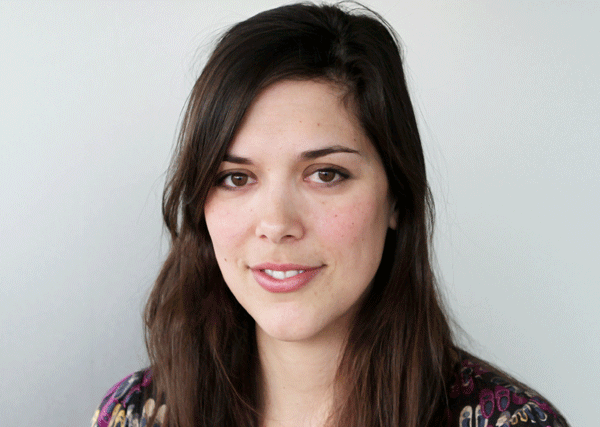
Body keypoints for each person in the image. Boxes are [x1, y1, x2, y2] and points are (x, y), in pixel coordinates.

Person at [91, 3, 569, 427]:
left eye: (325, 174)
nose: (276, 224)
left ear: (396, 197)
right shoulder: (134, 415)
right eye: (236, 178)